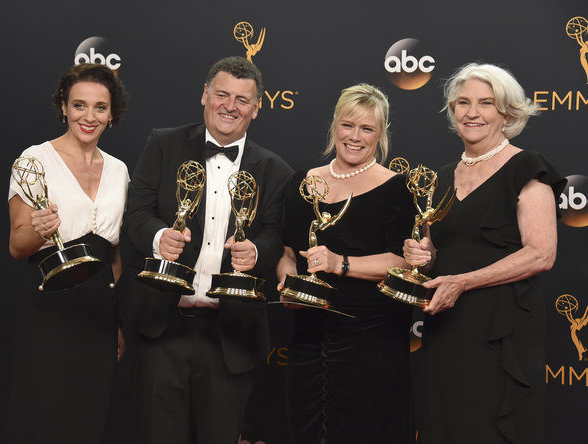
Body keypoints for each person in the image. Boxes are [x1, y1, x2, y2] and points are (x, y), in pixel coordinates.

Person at [118, 56, 292, 444]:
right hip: (162, 330)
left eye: (242, 100)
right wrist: (158, 237)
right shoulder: (163, 144)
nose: (230, 106)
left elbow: (275, 236)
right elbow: (136, 214)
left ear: (257, 107)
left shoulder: (275, 169)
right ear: (204, 95)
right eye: (222, 94)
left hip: (230, 337)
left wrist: (258, 253)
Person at [402, 63, 566, 444]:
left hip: (503, 327)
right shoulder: (441, 177)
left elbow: (542, 253)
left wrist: (464, 282)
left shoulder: (527, 167)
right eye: (463, 103)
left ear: (506, 112)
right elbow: (438, 249)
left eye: (485, 103)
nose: (472, 112)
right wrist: (421, 254)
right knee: (446, 424)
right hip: (446, 325)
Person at [276, 83, 416, 443]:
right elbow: (288, 253)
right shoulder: (302, 182)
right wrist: (290, 285)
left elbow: (401, 261)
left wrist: (340, 263)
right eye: (347, 125)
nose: (355, 137)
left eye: (367, 128)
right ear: (334, 126)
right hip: (308, 339)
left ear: (381, 134)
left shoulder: (396, 188)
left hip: (371, 340)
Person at [6, 63, 129, 443]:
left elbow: (115, 254)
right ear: (63, 107)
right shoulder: (35, 160)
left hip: (99, 315)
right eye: (79, 105)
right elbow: (16, 245)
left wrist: (119, 319)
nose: (88, 117)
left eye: (99, 107)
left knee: (92, 417)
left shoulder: (120, 170)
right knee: (47, 414)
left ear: (112, 114)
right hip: (51, 305)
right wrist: (39, 229)